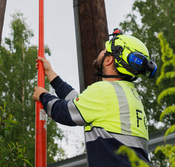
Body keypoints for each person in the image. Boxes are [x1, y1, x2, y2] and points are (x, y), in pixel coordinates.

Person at [32, 29, 157, 166]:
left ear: (109, 60)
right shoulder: (128, 95)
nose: (101, 52)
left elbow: (66, 112)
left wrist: (43, 96)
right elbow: (80, 105)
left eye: (105, 50)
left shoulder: (104, 91)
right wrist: (51, 75)